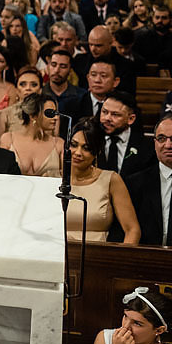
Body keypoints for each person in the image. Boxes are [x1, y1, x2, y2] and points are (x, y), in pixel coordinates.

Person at [64, 117, 140, 243]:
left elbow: (132, 230)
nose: (78, 152)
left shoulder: (111, 180)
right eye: (74, 145)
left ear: (97, 152)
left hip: (98, 257)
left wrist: (123, 259)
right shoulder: (50, 178)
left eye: (86, 148)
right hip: (54, 255)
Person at [123, 114, 172, 246]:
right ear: (155, 143)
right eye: (161, 138)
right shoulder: (135, 183)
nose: (168, 145)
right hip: (145, 259)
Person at [0, 91, 63, 177]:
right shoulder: (8, 140)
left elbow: (69, 179)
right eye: (50, 113)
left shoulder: (59, 144)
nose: (56, 118)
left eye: (56, 113)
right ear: (33, 116)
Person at [98, 91, 155, 177]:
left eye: (115, 114)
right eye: (104, 112)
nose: (107, 118)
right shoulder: (91, 138)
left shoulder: (147, 147)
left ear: (130, 119)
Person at [0, 65, 43, 143]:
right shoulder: (4, 115)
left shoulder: (48, 114)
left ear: (40, 90)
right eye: (22, 84)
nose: (28, 88)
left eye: (34, 85)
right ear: (16, 90)